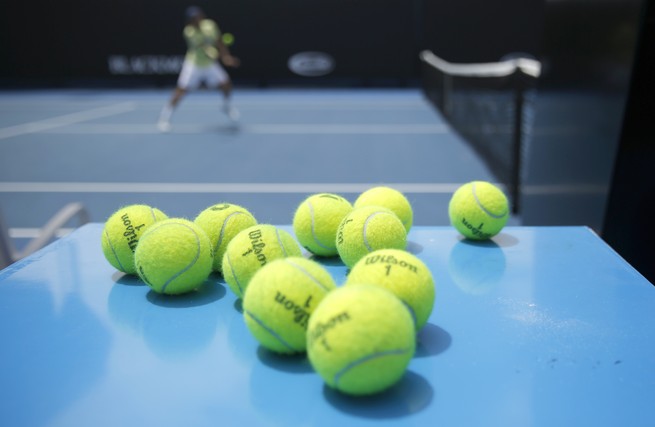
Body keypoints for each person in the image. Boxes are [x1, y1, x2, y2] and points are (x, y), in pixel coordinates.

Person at [158, 6, 240, 132]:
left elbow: (219, 42)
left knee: (226, 84)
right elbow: (204, 48)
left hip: (209, 64)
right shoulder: (189, 31)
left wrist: (226, 57)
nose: (197, 19)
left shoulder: (211, 26)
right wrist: (214, 54)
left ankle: (226, 106)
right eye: (194, 18)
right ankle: (164, 118)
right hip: (193, 64)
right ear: (190, 21)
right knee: (181, 90)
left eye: (198, 16)